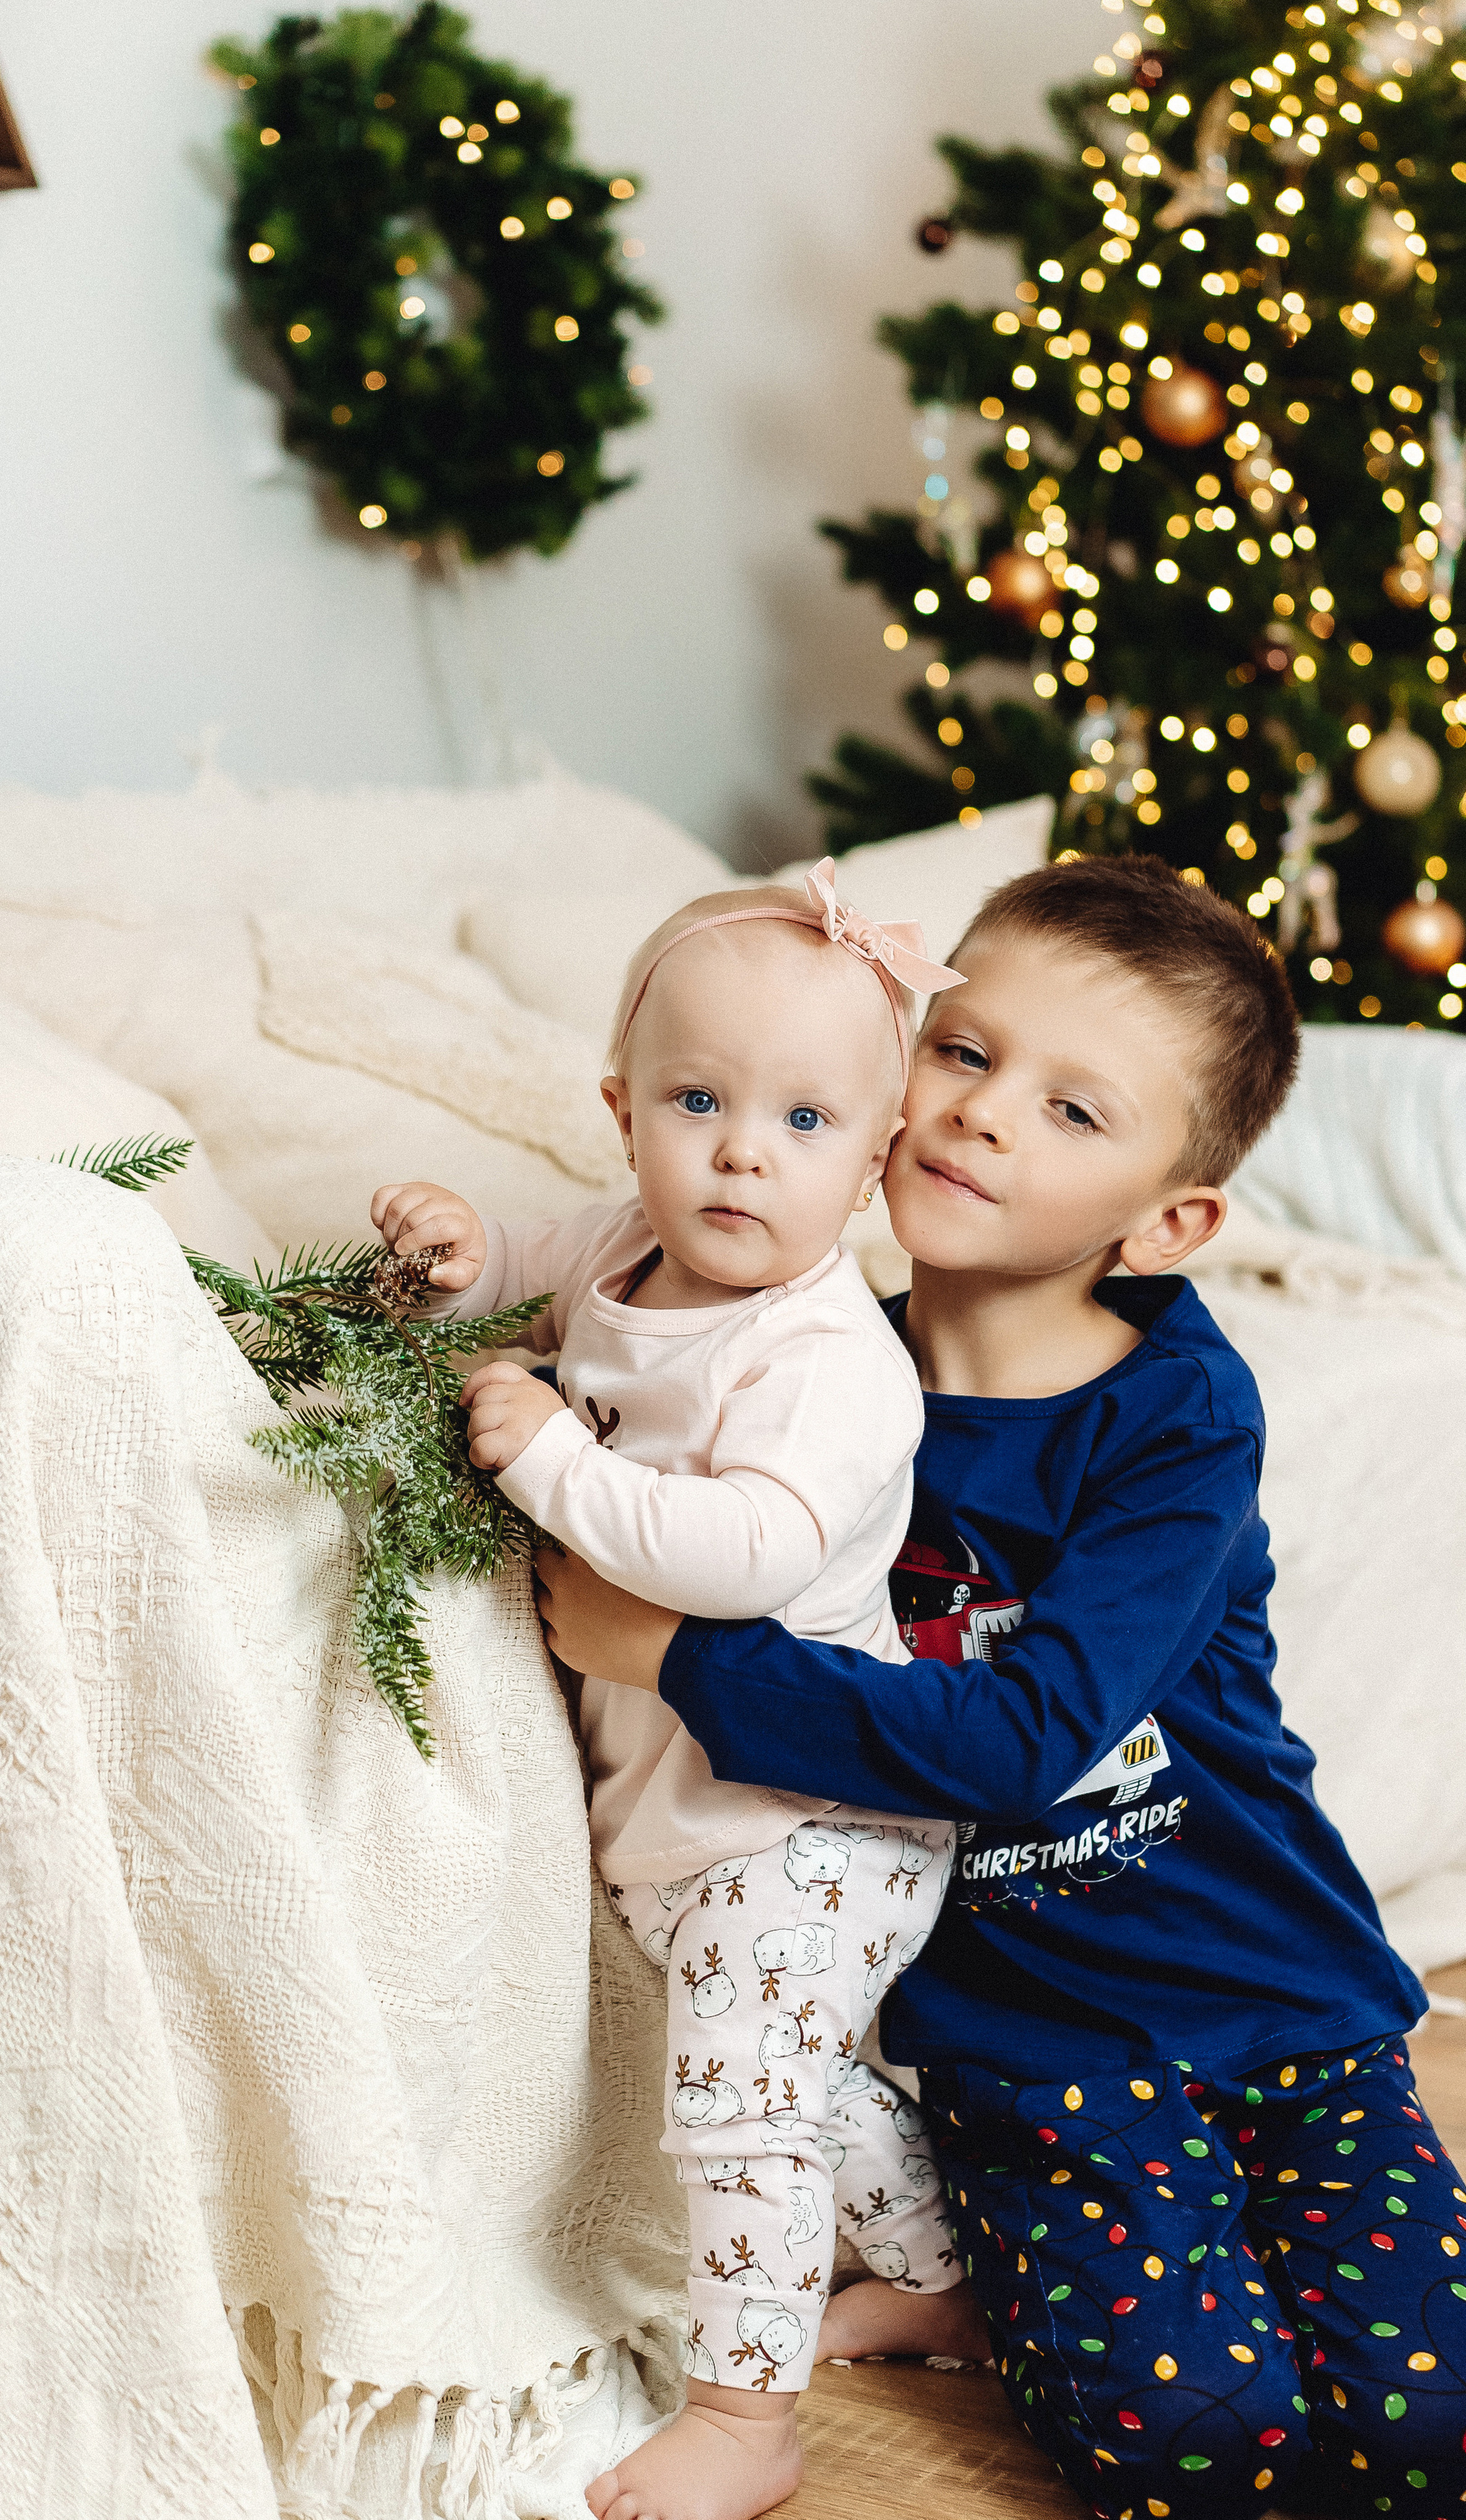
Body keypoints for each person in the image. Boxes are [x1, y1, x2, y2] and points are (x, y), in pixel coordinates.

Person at [539, 855, 1466, 2520]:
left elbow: (1019, 1744)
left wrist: (674, 1654)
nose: (981, 1116)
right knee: (1196, 2449)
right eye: (961, 1053)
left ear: (1166, 1222)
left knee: (1451, 2433)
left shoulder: (1179, 1418)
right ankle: (982, 2284)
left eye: (1071, 1111)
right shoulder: (803, 1369)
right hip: (1034, 2047)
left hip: (1273, 1988)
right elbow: (610, 1352)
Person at [370, 863, 989, 2520]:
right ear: (621, 1110)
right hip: (684, 1817)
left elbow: (744, 1555)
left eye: (804, 1121)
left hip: (815, 1817)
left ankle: (741, 2418)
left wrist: (554, 1462)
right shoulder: (626, 1249)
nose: (740, 1153)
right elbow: (528, 1263)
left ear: (872, 1164)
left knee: (738, 2118)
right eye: (698, 1101)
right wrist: (463, 1255)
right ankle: (946, 2283)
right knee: (798, 2088)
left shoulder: (827, 1364)